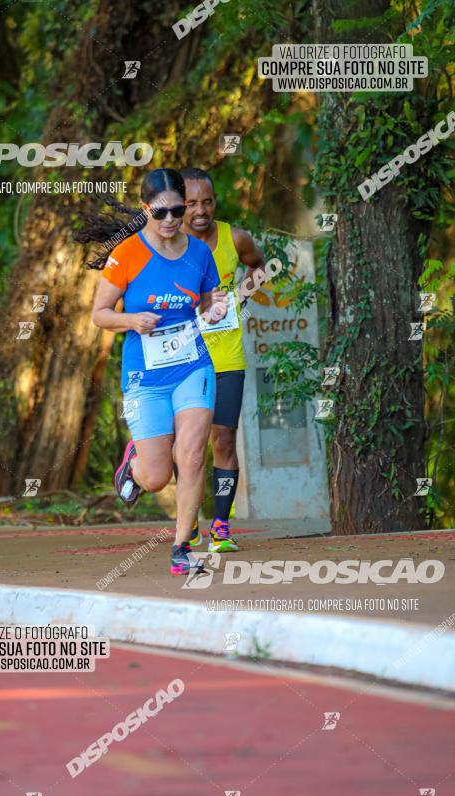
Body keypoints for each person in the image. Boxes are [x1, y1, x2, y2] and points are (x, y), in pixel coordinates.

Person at [80, 168, 228, 576]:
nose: (169, 221)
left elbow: (207, 301)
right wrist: (131, 321)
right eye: (160, 213)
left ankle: (182, 548)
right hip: (145, 375)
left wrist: (214, 308)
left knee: (195, 453)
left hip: (192, 365)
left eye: (177, 211)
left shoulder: (199, 253)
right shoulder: (126, 254)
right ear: (145, 209)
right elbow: (100, 315)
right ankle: (135, 461)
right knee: (158, 477)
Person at [180, 167, 266, 553]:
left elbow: (260, 267)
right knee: (183, 444)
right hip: (182, 358)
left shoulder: (235, 238)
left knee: (224, 439)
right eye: (192, 203)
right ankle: (189, 520)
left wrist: (240, 297)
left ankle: (221, 526)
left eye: (207, 201)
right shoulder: (169, 244)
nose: (201, 210)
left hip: (227, 354)